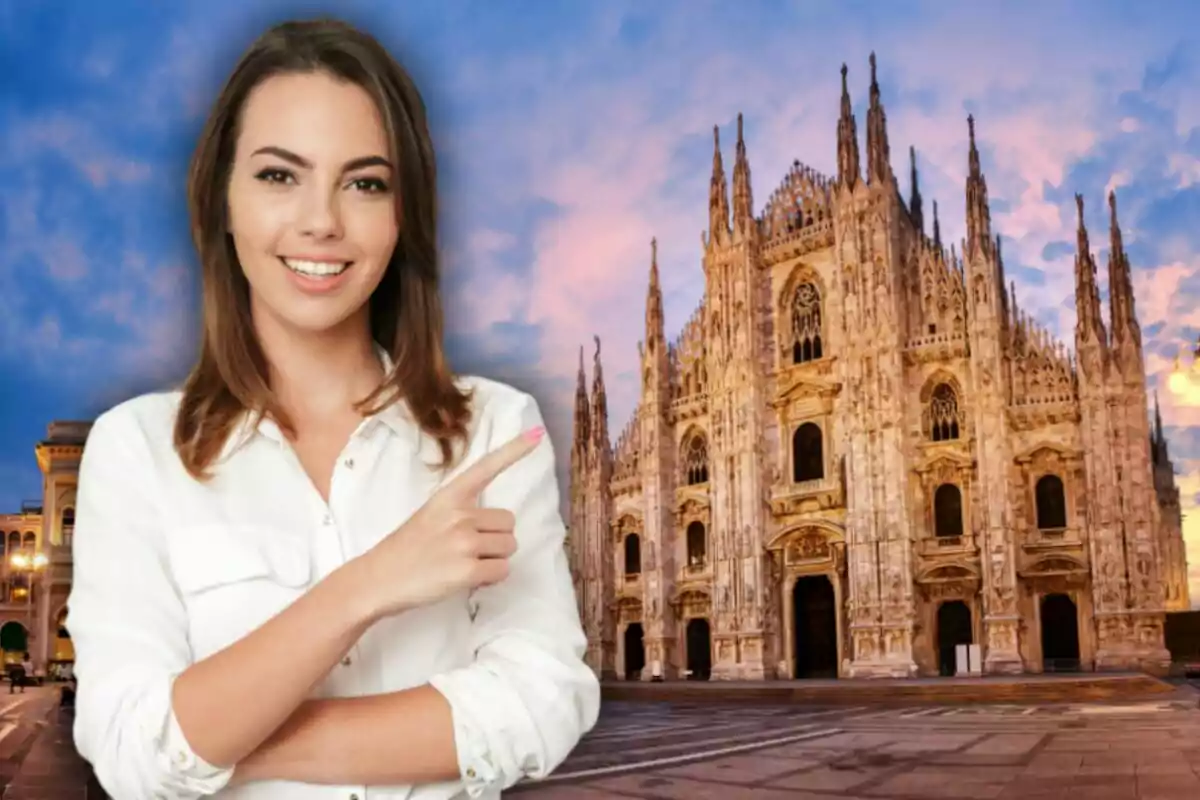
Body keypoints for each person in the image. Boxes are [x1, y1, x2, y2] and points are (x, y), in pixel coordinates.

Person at [66, 15, 600, 800]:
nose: (321, 220)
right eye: (279, 175)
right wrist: (372, 582)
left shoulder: (493, 429)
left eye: (365, 182)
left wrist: (226, 741)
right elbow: (125, 749)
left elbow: (543, 701)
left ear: (402, 215)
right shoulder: (137, 449)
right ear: (221, 199)